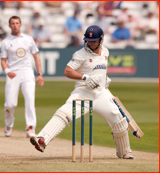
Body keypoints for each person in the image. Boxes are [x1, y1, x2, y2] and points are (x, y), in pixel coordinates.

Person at [30, 25, 134, 159]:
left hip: (101, 93)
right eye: (89, 40)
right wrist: (84, 77)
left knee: (119, 120)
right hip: (83, 93)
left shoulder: (106, 52)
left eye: (94, 40)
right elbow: (67, 71)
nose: (91, 43)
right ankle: (42, 139)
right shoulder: (80, 54)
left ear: (101, 39)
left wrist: (105, 79)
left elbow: (103, 69)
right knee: (64, 113)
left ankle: (124, 151)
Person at [0, 16, 44, 138]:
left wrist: (39, 74)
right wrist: (7, 71)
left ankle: (30, 127)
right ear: (9, 26)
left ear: (20, 24)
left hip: (27, 72)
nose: (15, 25)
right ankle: (8, 124)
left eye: (17, 23)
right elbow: (3, 61)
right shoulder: (6, 42)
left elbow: (36, 57)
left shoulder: (29, 39)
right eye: (13, 23)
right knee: (10, 104)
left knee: (30, 100)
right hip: (13, 74)